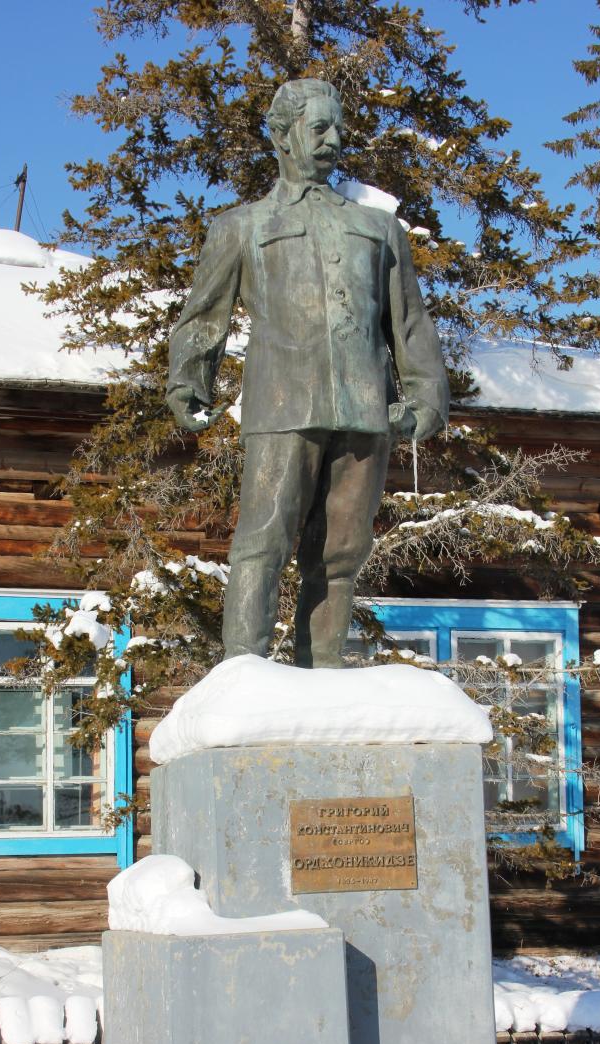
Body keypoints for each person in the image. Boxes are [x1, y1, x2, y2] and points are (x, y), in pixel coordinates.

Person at [166, 78, 449, 667]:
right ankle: (243, 676)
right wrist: (189, 381)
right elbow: (202, 317)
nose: (333, 140)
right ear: (282, 135)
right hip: (281, 405)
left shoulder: (378, 229)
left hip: (365, 409)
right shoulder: (241, 226)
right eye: (319, 128)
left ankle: (320, 678)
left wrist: (425, 397)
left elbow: (411, 324)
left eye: (338, 128)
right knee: (261, 544)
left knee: (342, 553)